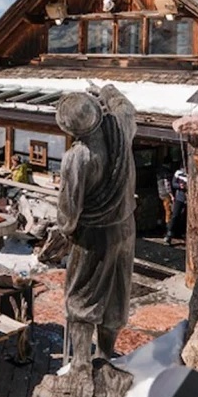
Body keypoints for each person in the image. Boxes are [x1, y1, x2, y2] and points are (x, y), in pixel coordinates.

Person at [39, 85, 137, 366]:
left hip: (93, 236)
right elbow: (125, 106)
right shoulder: (121, 128)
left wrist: (62, 234)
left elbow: (68, 212)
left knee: (82, 296)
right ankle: (105, 358)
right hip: (126, 228)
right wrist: (106, 90)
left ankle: (81, 363)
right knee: (117, 293)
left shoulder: (78, 157)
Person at [164, 169, 188, 246]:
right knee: (175, 215)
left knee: (185, 217)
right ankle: (169, 234)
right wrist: (179, 186)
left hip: (189, 199)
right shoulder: (178, 173)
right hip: (180, 198)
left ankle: (183, 234)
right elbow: (173, 184)